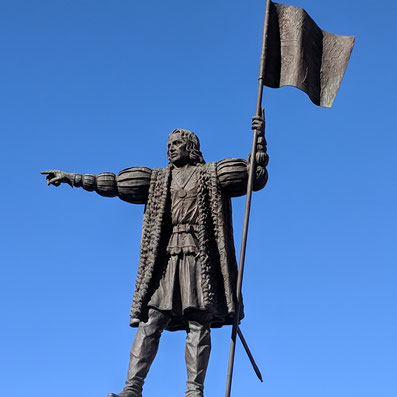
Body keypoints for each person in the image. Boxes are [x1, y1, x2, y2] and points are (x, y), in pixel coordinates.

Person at [41, 116, 268, 397]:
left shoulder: (212, 173)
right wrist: (74, 179)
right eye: (168, 145)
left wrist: (259, 145)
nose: (170, 148)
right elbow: (114, 184)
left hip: (201, 259)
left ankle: (194, 391)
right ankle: (132, 388)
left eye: (176, 144)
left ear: (191, 146)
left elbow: (252, 178)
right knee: (151, 321)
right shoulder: (158, 179)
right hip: (167, 260)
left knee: (199, 322)